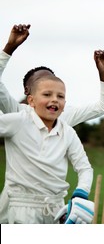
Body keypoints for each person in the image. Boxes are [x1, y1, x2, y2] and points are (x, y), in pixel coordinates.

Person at [0, 23, 104, 223]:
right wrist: (9, 48)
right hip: (18, 202)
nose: (54, 98)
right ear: (30, 95)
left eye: (59, 94)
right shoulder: (17, 115)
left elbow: (103, 107)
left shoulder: (65, 124)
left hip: (54, 204)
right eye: (45, 90)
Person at [0, 74, 94, 223]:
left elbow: (85, 168)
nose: (55, 99)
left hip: (57, 208)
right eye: (47, 94)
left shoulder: (68, 132)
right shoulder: (19, 121)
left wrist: (81, 194)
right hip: (23, 208)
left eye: (60, 96)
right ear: (31, 101)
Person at [0, 24, 104, 126]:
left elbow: (103, 107)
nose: (48, 84)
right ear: (27, 92)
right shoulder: (17, 112)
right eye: (41, 83)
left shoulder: (64, 116)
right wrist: (9, 48)